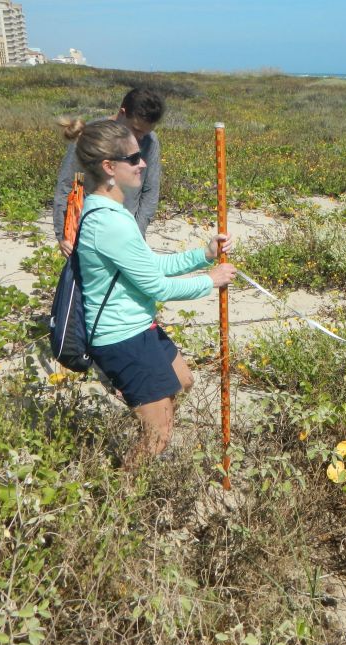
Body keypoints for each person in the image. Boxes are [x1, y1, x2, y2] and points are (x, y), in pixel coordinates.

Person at [59, 118, 236, 468]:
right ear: (109, 168)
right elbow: (156, 286)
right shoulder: (109, 222)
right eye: (134, 157)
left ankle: (152, 417)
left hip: (139, 328)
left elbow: (148, 266)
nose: (143, 163)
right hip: (120, 338)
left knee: (182, 381)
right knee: (159, 433)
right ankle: (124, 495)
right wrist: (211, 280)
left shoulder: (112, 213)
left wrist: (202, 256)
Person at [53, 88, 166, 257]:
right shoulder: (91, 135)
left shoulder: (150, 141)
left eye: (146, 132)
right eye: (136, 129)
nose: (139, 138)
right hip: (90, 234)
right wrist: (64, 234)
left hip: (130, 235)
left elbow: (150, 191)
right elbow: (66, 185)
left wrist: (135, 232)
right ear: (122, 113)